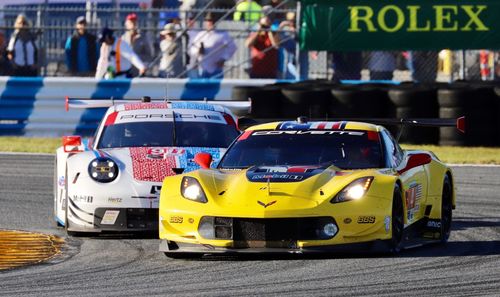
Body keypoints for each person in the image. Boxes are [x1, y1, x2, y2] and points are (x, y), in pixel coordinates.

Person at [188, 13, 237, 79]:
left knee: (216, 87)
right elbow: (192, 48)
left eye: (213, 21)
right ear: (205, 22)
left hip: (216, 69)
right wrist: (198, 51)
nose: (211, 23)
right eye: (208, 21)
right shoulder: (201, 35)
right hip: (202, 69)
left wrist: (224, 58)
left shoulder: (222, 34)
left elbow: (232, 47)